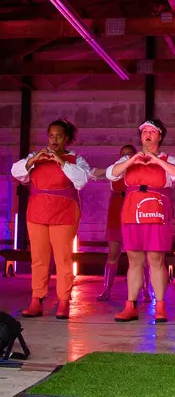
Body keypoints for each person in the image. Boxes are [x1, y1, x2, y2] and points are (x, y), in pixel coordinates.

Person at [107, 119, 175, 323]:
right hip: (132, 210)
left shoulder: (169, 159)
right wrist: (132, 160)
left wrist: (156, 160)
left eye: (152, 131)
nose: (147, 135)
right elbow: (112, 173)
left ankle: (160, 306)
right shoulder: (129, 159)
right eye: (144, 132)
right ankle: (130, 305)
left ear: (160, 136)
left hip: (157, 212)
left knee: (156, 259)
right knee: (134, 260)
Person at [12, 119, 91, 319]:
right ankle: (36, 300)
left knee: (63, 259)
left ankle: (63, 301)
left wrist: (61, 161)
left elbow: (82, 181)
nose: (54, 139)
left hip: (64, 212)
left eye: (59, 136)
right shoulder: (36, 157)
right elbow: (17, 173)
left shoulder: (75, 159)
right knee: (39, 259)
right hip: (37, 211)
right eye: (51, 135)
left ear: (66, 138)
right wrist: (32, 160)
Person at [93, 145, 152, 303]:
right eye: (123, 154)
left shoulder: (140, 171)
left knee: (141, 254)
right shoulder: (114, 171)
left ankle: (146, 291)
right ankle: (106, 289)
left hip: (134, 211)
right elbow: (94, 173)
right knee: (113, 254)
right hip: (116, 212)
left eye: (129, 155)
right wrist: (114, 168)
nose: (126, 157)